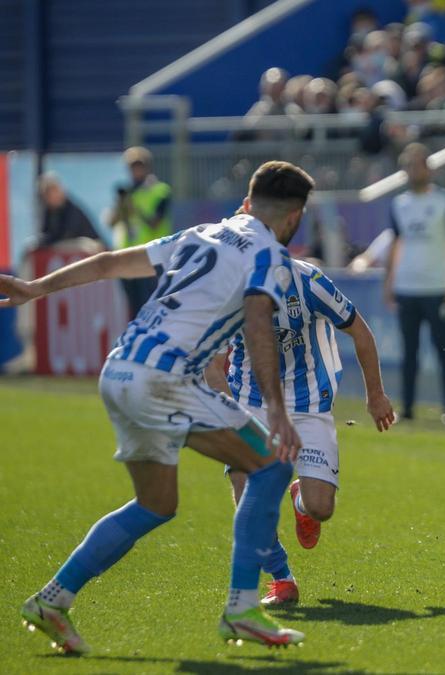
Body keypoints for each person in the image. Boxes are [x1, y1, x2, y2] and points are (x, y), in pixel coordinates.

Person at [2, 161, 314, 652]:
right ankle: (242, 608)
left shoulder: (201, 234)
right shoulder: (269, 255)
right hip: (164, 380)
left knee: (156, 504)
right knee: (274, 464)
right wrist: (276, 409)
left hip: (121, 371)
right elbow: (258, 326)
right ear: (294, 218)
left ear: (248, 202)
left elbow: (107, 263)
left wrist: (35, 289)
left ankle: (51, 601)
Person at [210, 249, 396, 606]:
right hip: (252, 402)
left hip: (308, 404)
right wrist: (228, 411)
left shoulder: (309, 282)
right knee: (246, 493)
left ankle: (301, 500)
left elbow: (360, 332)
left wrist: (376, 396)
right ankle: (282, 578)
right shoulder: (229, 289)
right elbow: (214, 366)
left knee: (321, 508)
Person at [383, 143, 445, 422]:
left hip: (438, 286)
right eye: (409, 165)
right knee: (409, 353)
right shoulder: (398, 204)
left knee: (444, 352)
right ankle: (407, 409)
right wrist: (388, 281)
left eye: (419, 164)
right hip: (407, 287)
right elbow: (396, 242)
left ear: (429, 168)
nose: (414, 170)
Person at [108, 147, 173, 317]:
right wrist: (120, 206)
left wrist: (134, 207)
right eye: (132, 166)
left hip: (150, 257)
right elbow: (111, 222)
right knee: (133, 308)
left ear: (147, 167)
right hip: (126, 257)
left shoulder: (160, 191)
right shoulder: (127, 193)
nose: (135, 171)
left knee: (151, 306)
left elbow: (154, 223)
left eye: (139, 166)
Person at [38, 173, 101, 248]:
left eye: (55, 190)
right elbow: (45, 233)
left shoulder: (71, 209)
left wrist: (50, 240)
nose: (54, 195)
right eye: (48, 192)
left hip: (86, 246)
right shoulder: (48, 211)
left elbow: (68, 234)